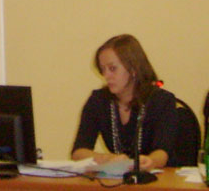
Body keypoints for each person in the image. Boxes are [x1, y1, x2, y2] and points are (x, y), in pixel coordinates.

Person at [71, 34, 177, 171]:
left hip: (159, 178)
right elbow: (78, 151)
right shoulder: (98, 100)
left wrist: (150, 161)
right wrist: (106, 158)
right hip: (116, 178)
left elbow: (163, 152)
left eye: (112, 68)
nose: (106, 76)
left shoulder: (161, 100)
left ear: (133, 68)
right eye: (103, 69)